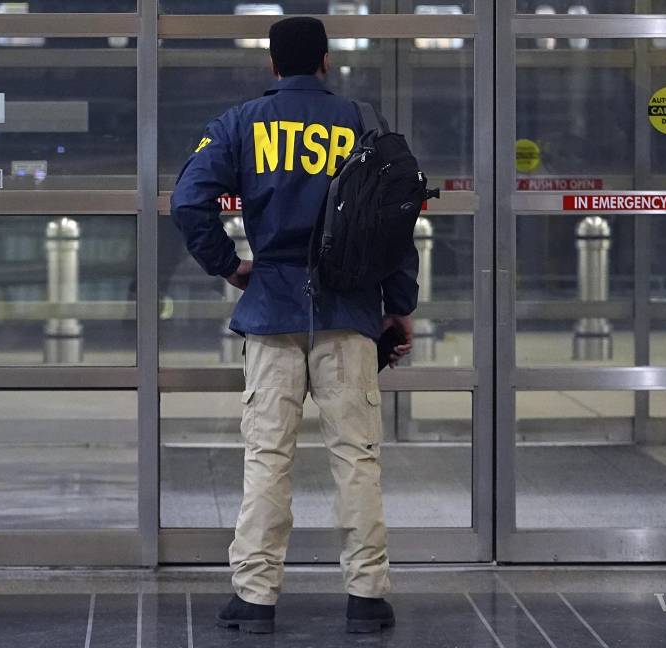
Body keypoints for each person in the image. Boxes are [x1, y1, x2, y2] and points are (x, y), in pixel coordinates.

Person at [170, 16, 418, 635]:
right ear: (327, 62)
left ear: (273, 65)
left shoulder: (241, 123)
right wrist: (398, 303)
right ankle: (368, 597)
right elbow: (397, 215)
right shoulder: (362, 121)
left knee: (267, 457)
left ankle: (255, 598)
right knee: (356, 457)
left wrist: (229, 266)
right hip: (349, 314)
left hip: (272, 310)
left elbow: (186, 201)